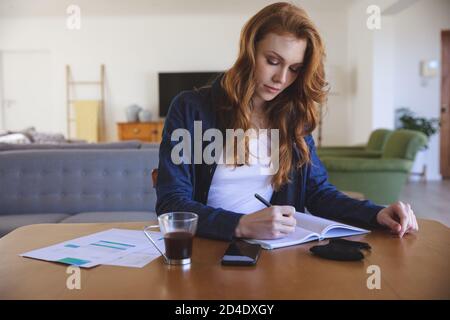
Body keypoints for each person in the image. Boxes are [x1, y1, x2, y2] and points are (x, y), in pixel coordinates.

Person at [155, 2, 418, 241]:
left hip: (276, 252)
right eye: (272, 61)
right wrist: (241, 225)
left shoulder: (293, 118)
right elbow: (172, 203)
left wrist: (376, 213)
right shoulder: (192, 109)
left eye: (294, 68)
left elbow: (317, 193)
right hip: (207, 246)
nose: (281, 78)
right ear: (249, 52)